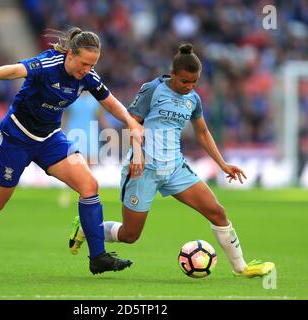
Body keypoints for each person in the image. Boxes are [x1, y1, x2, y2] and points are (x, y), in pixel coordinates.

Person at [0, 27, 145, 275]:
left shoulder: (87, 76)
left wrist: (130, 122)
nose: (87, 69)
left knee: (89, 186)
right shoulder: (48, 63)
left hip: (50, 139)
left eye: (92, 64)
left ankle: (98, 257)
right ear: (70, 55)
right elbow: (17, 70)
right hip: (15, 138)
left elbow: (110, 102)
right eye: (84, 63)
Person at [69, 43, 275, 277]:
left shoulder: (193, 100)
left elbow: (203, 132)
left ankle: (241, 267)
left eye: (194, 83)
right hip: (143, 169)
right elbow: (132, 121)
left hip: (174, 168)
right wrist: (137, 154)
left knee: (217, 212)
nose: (189, 87)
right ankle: (87, 229)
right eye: (184, 81)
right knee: (130, 235)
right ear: (173, 74)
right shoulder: (152, 90)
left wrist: (223, 164)